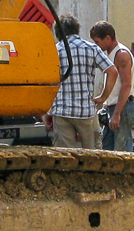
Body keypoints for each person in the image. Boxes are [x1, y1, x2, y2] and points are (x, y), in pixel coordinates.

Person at [44, 14, 116, 150]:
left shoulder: (54, 51)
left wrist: (45, 112)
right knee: (93, 155)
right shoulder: (91, 48)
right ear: (77, 29)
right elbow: (112, 71)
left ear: (57, 32)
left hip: (61, 112)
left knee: (65, 156)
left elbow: (43, 83)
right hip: (86, 112)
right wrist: (103, 97)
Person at [90, 20, 134, 151]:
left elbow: (126, 85)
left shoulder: (121, 54)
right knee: (108, 148)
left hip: (123, 108)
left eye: (97, 42)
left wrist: (117, 114)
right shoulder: (110, 55)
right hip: (115, 107)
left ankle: (127, 172)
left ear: (107, 38)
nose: (97, 46)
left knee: (122, 150)